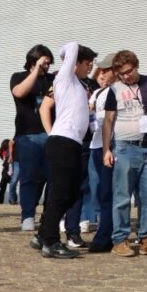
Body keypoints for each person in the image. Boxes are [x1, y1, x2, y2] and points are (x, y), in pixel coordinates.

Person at [102, 49, 147, 258]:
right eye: (122, 73)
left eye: (129, 71)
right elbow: (108, 121)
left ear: (136, 66)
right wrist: (107, 149)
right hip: (124, 147)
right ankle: (120, 240)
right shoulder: (114, 89)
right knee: (122, 196)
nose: (126, 76)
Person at [30, 42, 97, 258]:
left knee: (71, 193)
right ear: (75, 63)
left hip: (74, 143)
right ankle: (50, 242)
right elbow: (71, 46)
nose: (91, 67)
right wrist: (71, 55)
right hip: (62, 142)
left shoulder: (79, 85)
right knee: (60, 192)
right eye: (88, 63)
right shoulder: (64, 79)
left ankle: (42, 234)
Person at [11, 44, 55, 231]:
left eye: (49, 63)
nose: (47, 66)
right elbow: (19, 92)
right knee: (29, 177)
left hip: (50, 133)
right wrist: (36, 69)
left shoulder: (53, 79)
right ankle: (28, 215)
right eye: (45, 62)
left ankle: (49, 215)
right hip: (27, 135)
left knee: (51, 177)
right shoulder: (19, 77)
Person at [85, 54, 116, 252]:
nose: (102, 73)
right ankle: (104, 230)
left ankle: (106, 235)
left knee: (109, 193)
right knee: (96, 191)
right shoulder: (98, 93)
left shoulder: (119, 92)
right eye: (101, 70)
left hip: (111, 146)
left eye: (106, 69)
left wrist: (109, 148)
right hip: (95, 145)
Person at [0, 139, 13, 204]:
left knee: (2, 188)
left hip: (4, 172)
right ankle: (12, 200)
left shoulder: (3, 152)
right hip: (10, 171)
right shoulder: (9, 152)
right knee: (12, 187)